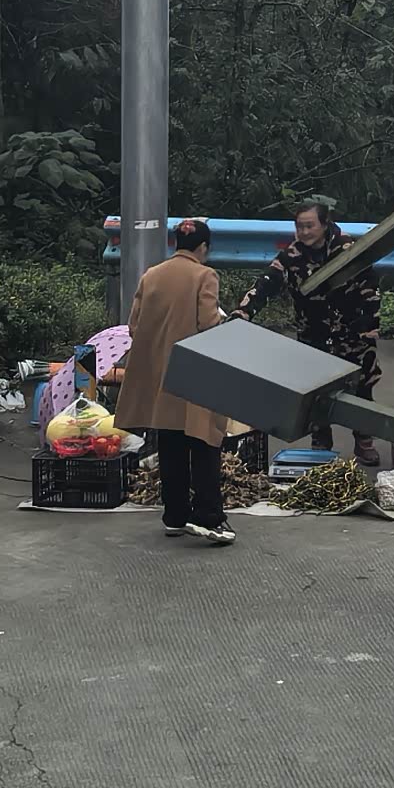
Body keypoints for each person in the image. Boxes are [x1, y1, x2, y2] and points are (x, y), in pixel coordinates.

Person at [111, 218, 234, 546]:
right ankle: (208, 517)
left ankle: (175, 516)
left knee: (170, 445)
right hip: (196, 375)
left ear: (175, 243)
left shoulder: (151, 275)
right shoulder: (205, 276)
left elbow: (134, 326)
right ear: (204, 248)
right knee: (205, 443)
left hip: (161, 377)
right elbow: (208, 324)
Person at [244, 193, 383, 451]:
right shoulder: (291, 256)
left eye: (310, 226)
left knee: (362, 388)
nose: (304, 232)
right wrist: (243, 312)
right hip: (314, 334)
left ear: (325, 224)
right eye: (300, 226)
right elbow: (266, 284)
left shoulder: (348, 249)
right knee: (316, 393)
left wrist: (370, 325)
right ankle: (321, 445)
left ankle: (364, 440)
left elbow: (370, 287)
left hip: (352, 334)